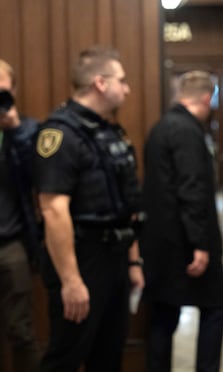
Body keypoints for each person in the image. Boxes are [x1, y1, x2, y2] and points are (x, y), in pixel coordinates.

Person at [33, 46, 144, 372]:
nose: (126, 88)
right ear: (100, 83)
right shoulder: (60, 134)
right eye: (121, 80)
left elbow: (127, 206)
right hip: (82, 259)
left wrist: (133, 260)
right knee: (66, 356)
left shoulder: (110, 131)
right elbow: (53, 210)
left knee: (108, 355)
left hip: (115, 257)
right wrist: (71, 281)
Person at [140, 70, 223, 372]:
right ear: (206, 99)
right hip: (187, 245)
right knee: (216, 306)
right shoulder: (188, 131)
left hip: (160, 242)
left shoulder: (161, 127)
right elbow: (191, 189)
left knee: (163, 315)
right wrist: (201, 244)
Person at [0, 59, 41, 371]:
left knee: (21, 331)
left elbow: (38, 178)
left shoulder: (27, 130)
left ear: (13, 91)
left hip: (10, 242)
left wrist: (14, 132)